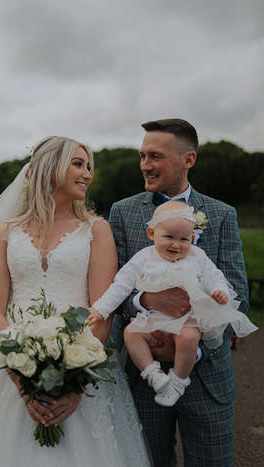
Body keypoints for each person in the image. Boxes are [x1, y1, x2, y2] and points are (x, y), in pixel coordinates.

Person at [0, 136, 151, 466]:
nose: (87, 174)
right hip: (8, 371)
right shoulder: (6, 231)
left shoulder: (96, 231)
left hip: (83, 368)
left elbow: (103, 309)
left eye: (89, 167)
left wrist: (74, 385)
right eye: (78, 164)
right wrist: (22, 377)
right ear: (50, 167)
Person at [108, 118, 250, 466]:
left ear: (188, 159)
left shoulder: (221, 214)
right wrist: (147, 300)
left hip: (207, 376)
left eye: (155, 156)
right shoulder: (123, 212)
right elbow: (113, 284)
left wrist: (193, 347)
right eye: (142, 156)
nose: (145, 165)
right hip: (144, 376)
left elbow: (238, 291)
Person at [89, 201, 255, 407]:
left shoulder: (197, 255)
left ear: (192, 238)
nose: (176, 245)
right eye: (169, 237)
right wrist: (100, 309)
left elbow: (216, 276)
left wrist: (220, 291)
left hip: (186, 318)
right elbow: (120, 285)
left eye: (184, 239)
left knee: (189, 337)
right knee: (131, 333)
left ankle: (178, 381)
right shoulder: (143, 258)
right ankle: (152, 374)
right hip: (153, 318)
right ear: (151, 233)